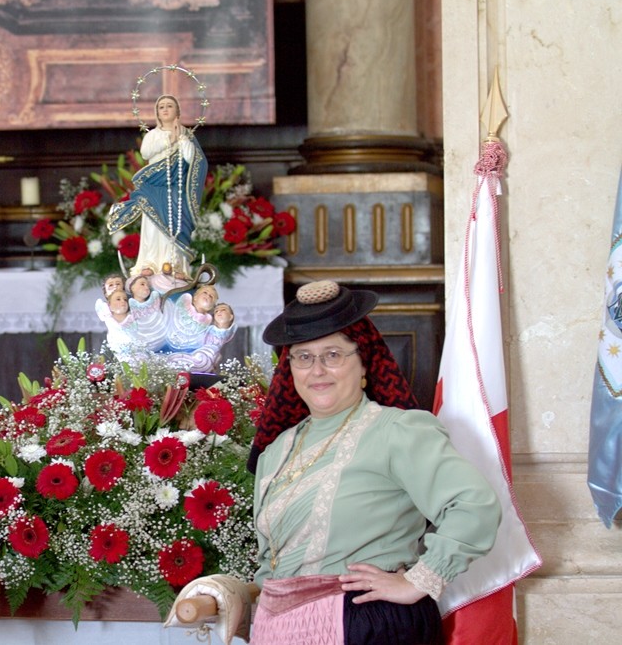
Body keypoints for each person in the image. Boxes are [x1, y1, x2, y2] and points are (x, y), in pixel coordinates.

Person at [172, 280, 501, 645]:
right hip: (281, 627)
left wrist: (417, 581)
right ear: (290, 368)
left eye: (333, 355)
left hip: (369, 623)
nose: (317, 370)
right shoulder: (276, 449)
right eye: (304, 357)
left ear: (364, 365)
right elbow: (276, 563)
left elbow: (475, 505)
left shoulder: (399, 430)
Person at [106, 94, 209, 280]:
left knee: (176, 221)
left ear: (177, 110)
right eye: (161, 107)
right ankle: (150, 263)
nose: (166, 109)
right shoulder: (152, 135)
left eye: (170, 106)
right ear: (157, 113)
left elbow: (194, 160)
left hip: (177, 189)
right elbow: (146, 152)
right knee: (153, 226)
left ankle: (176, 264)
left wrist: (183, 142)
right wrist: (170, 140)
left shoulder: (187, 135)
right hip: (154, 186)